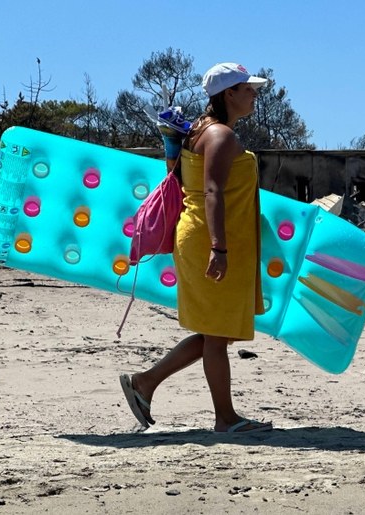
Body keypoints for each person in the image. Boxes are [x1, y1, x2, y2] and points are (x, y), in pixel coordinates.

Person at [120, 63, 272, 433]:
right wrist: (219, 249)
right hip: (210, 240)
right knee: (217, 335)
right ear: (228, 94)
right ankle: (225, 418)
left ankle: (145, 383)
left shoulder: (201, 132)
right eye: (246, 88)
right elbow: (212, 192)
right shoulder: (220, 136)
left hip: (206, 238)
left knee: (215, 331)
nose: (253, 94)